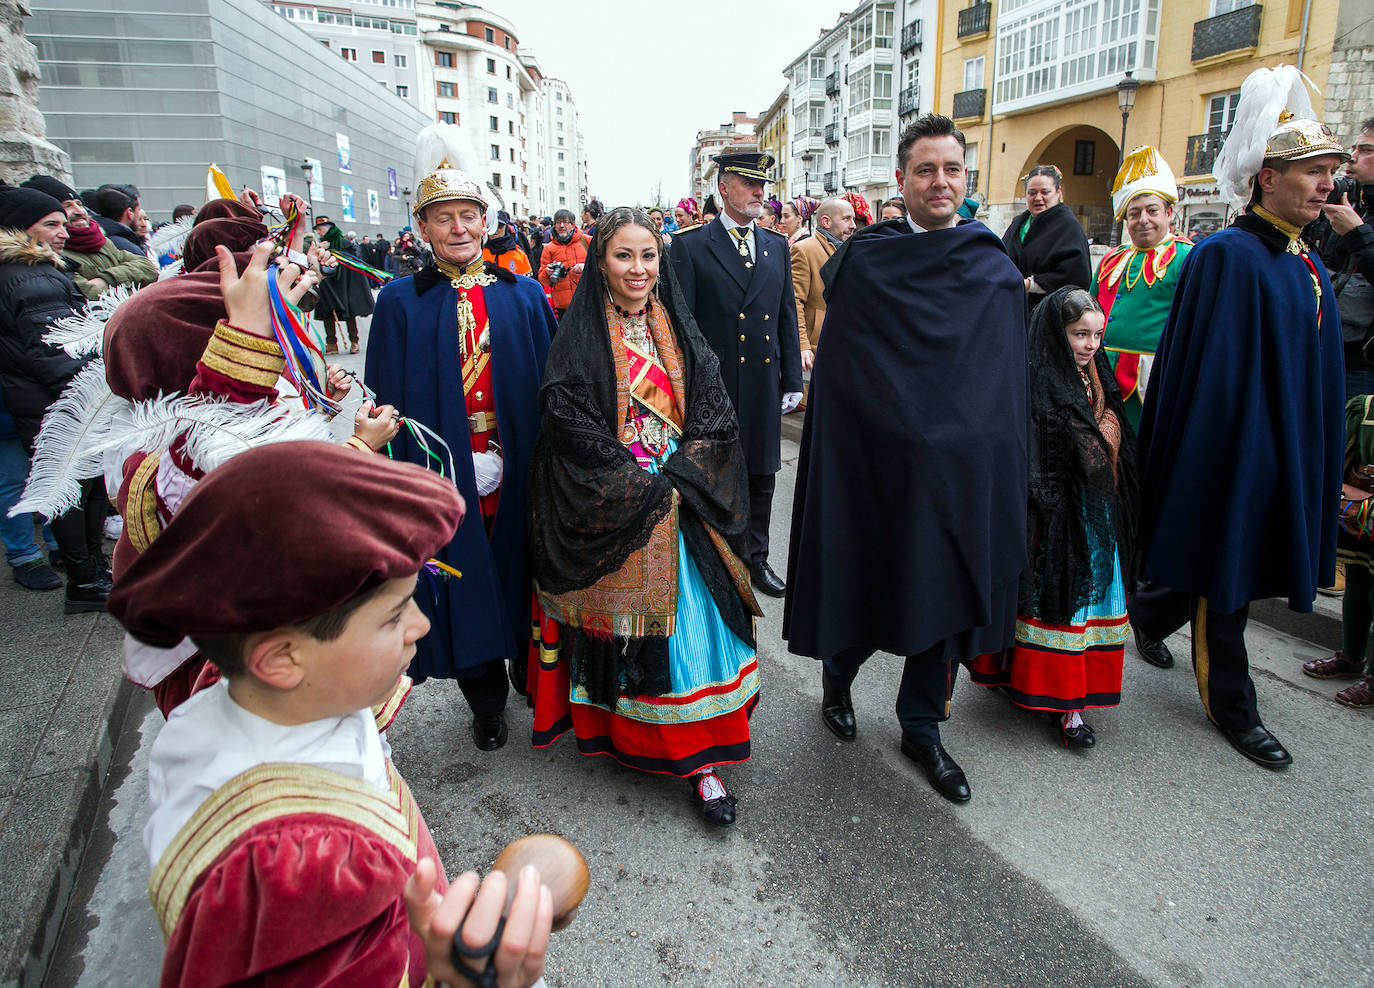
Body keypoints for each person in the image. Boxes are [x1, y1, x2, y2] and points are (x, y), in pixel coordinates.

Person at [106, 440, 553, 987]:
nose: (421, 627)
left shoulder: (256, 695)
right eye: (393, 617)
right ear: (281, 659)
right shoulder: (296, 875)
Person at [784, 114, 1028, 804]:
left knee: (941, 598)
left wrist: (995, 461)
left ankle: (922, 727)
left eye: (952, 169)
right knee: (868, 583)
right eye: (926, 170)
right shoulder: (867, 261)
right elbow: (844, 372)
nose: (940, 181)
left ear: (966, 178)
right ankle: (839, 677)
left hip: (956, 478)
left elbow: (1004, 382)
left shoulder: (994, 269)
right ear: (902, 180)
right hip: (877, 467)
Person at [1128, 66, 1347, 770]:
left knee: (1215, 569)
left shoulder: (1303, 258)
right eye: (1309, 171)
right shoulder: (1227, 256)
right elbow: (1208, 376)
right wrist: (1223, 458)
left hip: (1283, 444)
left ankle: (1147, 610)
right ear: (1265, 178)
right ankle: (1233, 703)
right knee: (1223, 574)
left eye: (1328, 171)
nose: (1324, 184)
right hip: (1232, 451)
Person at [526, 207, 762, 826]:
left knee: (696, 630)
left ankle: (703, 764)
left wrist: (682, 475)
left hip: (682, 499)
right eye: (624, 255)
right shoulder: (577, 337)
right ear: (601, 262)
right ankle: (630, 734)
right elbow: (568, 415)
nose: (638, 268)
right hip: (620, 497)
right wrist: (632, 482)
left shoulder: (680, 331)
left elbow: (713, 406)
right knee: (629, 628)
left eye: (648, 255)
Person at [367, 125, 556, 751]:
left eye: (468, 215)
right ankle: (486, 699)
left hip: (519, 460)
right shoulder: (398, 303)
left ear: (486, 220)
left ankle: (530, 677)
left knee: (520, 570)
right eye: (443, 218)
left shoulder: (525, 296)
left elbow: (555, 386)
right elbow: (383, 398)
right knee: (464, 576)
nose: (458, 228)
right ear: (423, 229)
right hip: (443, 468)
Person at [968, 288, 1137, 747]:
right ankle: (1052, 698)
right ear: (1054, 332)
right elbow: (1034, 448)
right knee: (1049, 601)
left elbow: (1112, 423)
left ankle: (1072, 704)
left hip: (1092, 511)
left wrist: (1099, 440)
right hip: (1051, 516)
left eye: (1097, 335)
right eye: (1080, 334)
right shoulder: (1034, 378)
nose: (1089, 345)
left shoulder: (1096, 375)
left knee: (1085, 605)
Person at [670, 152, 803, 598]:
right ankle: (718, 559)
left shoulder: (776, 245)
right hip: (717, 385)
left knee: (764, 473)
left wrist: (791, 382)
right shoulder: (690, 246)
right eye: (748, 183)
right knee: (716, 474)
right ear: (723, 188)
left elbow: (786, 315)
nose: (759, 193)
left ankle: (756, 559)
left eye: (761, 185)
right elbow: (683, 324)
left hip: (763, 383)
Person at [1089, 148, 1193, 671]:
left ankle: (1147, 616)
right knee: (1109, 492)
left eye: (1152, 210)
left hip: (1159, 393)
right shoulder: (1110, 262)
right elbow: (1087, 316)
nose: (1143, 220)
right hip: (1105, 389)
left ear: (1170, 213)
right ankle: (1107, 593)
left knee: (1152, 497)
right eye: (1134, 212)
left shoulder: (1188, 260)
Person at [0, 185, 111, 612]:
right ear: (20, 230)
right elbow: (56, 349)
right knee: (74, 490)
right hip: (58, 400)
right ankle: (86, 579)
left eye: (65, 223)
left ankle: (90, 573)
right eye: (52, 224)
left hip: (46, 398)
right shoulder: (31, 275)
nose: (65, 232)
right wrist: (96, 392)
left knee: (80, 488)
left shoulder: (35, 271)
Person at [1302, 393, 1374, 708]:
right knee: (1358, 587)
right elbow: (1338, 460)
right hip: (1363, 520)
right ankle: (1352, 657)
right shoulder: (1365, 408)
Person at [1308, 116, 1374, 401]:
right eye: (1355, 148)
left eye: (1366, 150)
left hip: (1362, 364)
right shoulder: (1346, 201)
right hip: (1321, 346)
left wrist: (1357, 233)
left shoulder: (1353, 217)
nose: (1353, 157)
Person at [22, 175, 157, 300]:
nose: (80, 211)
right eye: (67, 205)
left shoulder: (101, 240)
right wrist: (132, 287)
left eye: (79, 204)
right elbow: (87, 294)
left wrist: (105, 280)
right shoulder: (51, 251)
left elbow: (148, 268)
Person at [1003, 164, 1092, 312]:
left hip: (1048, 312)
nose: (1038, 198)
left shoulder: (1068, 226)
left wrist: (1029, 285)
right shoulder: (1018, 223)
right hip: (1014, 308)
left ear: (1058, 193)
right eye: (1032, 193)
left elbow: (1075, 275)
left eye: (1045, 192)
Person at [792, 197, 856, 373]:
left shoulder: (849, 249)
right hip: (815, 351)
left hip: (843, 347)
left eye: (853, 219)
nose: (853, 225)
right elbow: (794, 302)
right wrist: (803, 345)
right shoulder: (804, 250)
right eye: (846, 219)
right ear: (826, 221)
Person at [312, 215, 374, 354]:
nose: (319, 233)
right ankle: (331, 343)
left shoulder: (344, 244)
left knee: (348, 313)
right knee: (327, 312)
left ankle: (354, 341)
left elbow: (351, 264)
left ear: (328, 229)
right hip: (327, 284)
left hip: (344, 284)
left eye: (320, 230)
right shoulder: (321, 245)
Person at [538, 208, 589, 319]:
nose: (561, 226)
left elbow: (603, 266)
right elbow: (543, 280)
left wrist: (586, 267)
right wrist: (548, 272)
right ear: (554, 225)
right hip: (563, 307)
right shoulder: (549, 248)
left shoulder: (587, 241)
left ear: (572, 225)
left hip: (587, 301)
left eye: (565, 222)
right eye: (558, 222)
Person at [90, 183, 151, 258]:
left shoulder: (92, 240)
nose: (144, 224)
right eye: (138, 210)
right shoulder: (130, 250)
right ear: (130, 213)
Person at [485, 211, 534, 277]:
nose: (495, 229)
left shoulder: (518, 254)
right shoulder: (477, 252)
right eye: (492, 225)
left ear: (506, 226)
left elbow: (527, 284)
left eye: (499, 225)